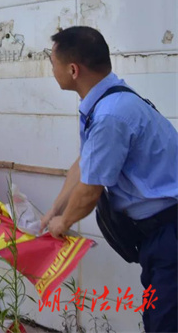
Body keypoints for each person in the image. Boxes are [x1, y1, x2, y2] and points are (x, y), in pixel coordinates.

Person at [40, 26, 177, 333]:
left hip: (171, 232)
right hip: (160, 235)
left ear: (73, 69)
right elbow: (85, 163)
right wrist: (55, 211)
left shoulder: (111, 115)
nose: (52, 70)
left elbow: (90, 191)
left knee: (165, 323)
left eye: (53, 63)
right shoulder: (107, 101)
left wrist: (62, 225)